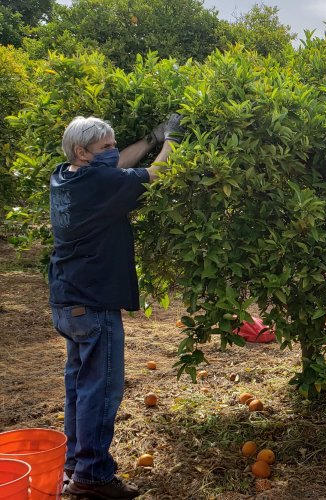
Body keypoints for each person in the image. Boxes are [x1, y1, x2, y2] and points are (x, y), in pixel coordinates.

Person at [49, 113, 182, 499]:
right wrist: (173, 140)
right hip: (93, 302)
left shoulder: (66, 175)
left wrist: (151, 138)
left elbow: (119, 164)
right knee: (100, 390)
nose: (112, 152)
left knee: (79, 386)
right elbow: (156, 175)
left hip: (67, 300)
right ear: (82, 151)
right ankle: (93, 476)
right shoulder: (99, 183)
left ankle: (75, 464)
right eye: (105, 147)